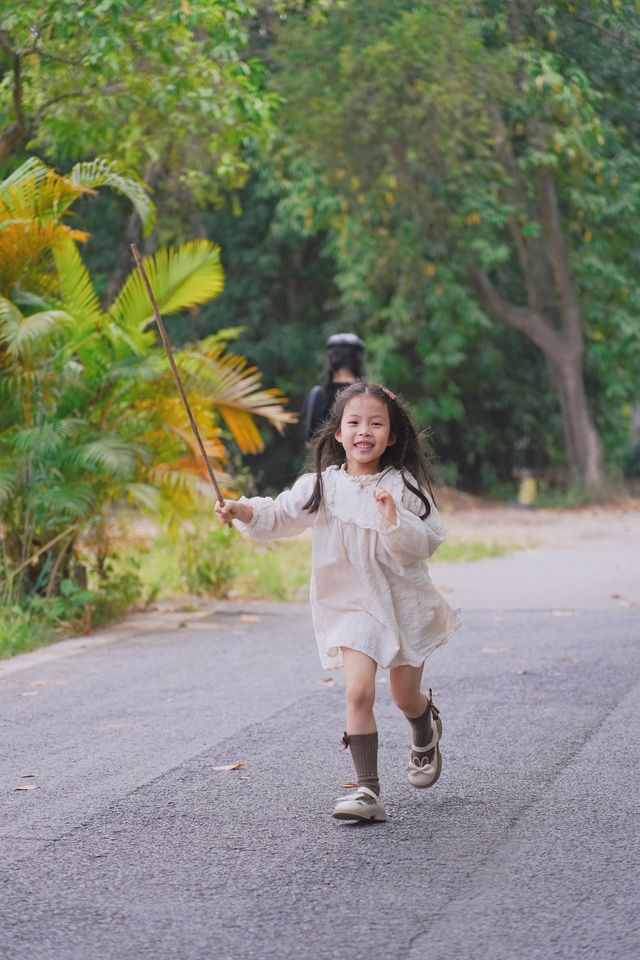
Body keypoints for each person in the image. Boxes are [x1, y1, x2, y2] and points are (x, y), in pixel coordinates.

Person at [215, 381, 461, 823]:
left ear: (392, 436)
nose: (364, 430)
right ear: (337, 433)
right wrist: (242, 510)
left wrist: (393, 518)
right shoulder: (321, 487)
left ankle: (424, 726)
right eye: (354, 422)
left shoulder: (402, 486)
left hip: (401, 602)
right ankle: (368, 790)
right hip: (351, 605)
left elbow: (426, 543)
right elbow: (279, 516)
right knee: (358, 690)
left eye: (375, 423)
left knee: (405, 696)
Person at [301, 332, 365, 444]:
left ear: (330, 360)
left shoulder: (318, 395)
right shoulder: (369, 395)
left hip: (327, 461)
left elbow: (310, 443)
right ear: (359, 360)